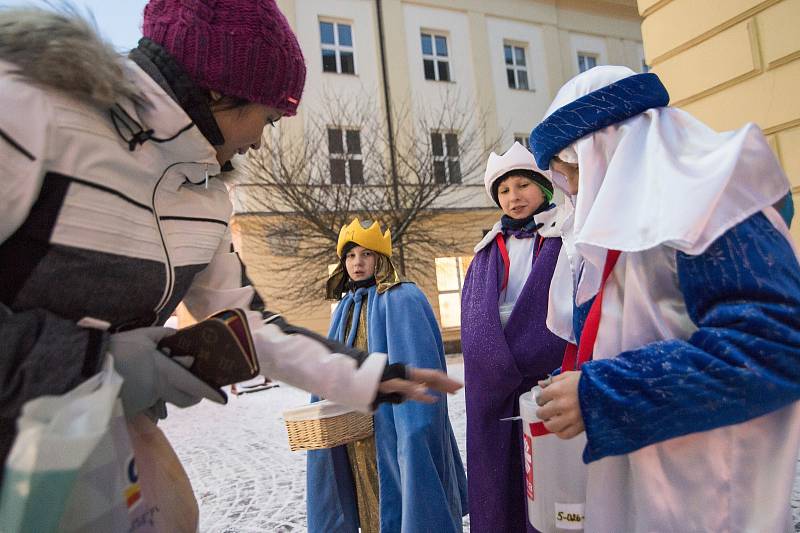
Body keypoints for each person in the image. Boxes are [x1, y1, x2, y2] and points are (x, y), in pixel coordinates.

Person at [0, 1, 461, 475]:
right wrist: (98, 367)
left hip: (75, 462)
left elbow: (245, 325)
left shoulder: (206, 195)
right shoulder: (33, 111)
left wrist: (372, 377)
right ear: (221, 88)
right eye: (270, 117)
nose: (261, 141)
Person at [528, 65, 800, 531]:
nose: (570, 190)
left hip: (708, 498)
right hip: (647, 479)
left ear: (606, 150)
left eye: (572, 172)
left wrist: (602, 393)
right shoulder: (634, 221)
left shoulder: (707, 202)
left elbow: (777, 348)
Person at [307, 218, 468, 533]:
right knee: (365, 499)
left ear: (380, 258)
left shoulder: (402, 297)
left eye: (366, 254)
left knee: (407, 495)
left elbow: (416, 357)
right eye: (350, 256)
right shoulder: (345, 308)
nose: (357, 263)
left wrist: (416, 429)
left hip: (394, 425)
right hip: (355, 429)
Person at [459, 142, 566, 533]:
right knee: (499, 478)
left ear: (544, 187)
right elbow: (474, 317)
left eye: (523, 185)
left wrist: (535, 354)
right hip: (495, 382)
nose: (514, 196)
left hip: (545, 375)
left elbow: (566, 308)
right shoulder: (486, 252)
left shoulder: (562, 240)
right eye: (504, 190)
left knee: (548, 477)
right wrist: (492, 363)